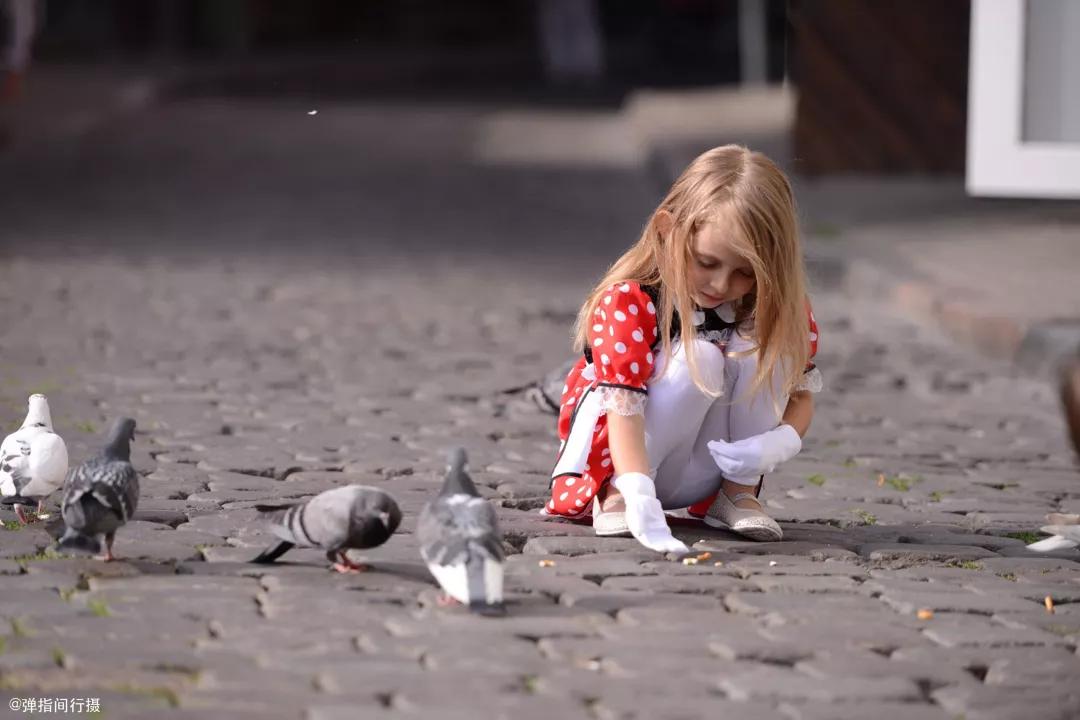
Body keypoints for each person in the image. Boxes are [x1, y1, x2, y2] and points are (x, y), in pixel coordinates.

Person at [544, 145, 821, 553]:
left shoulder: (771, 308)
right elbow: (622, 407)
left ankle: (737, 493)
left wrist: (778, 443)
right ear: (666, 230)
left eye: (745, 273)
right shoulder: (632, 301)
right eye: (706, 262)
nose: (721, 286)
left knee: (766, 350)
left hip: (709, 469)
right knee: (701, 357)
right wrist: (636, 486)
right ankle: (615, 492)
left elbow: (800, 393)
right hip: (634, 457)